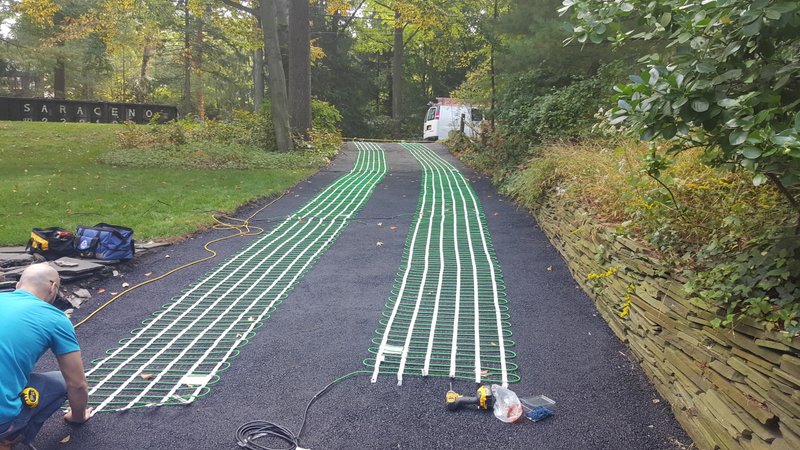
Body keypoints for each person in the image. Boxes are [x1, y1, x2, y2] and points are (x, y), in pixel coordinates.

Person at [0, 263, 92, 449]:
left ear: (18, 285)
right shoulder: (56, 318)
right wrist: (78, 417)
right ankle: (10, 441)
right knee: (62, 381)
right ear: (53, 288)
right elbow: (77, 384)